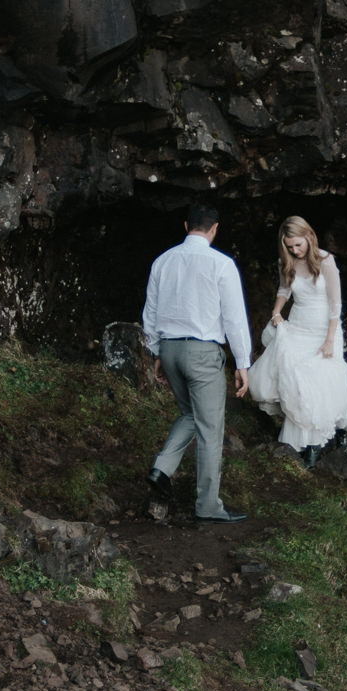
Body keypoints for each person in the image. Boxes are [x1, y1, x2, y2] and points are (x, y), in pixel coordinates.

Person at [141, 204, 253, 523]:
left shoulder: (163, 261)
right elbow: (234, 317)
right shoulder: (221, 264)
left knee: (189, 414)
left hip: (170, 348)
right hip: (202, 352)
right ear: (215, 228)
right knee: (210, 427)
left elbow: (150, 313)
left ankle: (162, 469)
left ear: (187, 225)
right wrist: (243, 362)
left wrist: (157, 353)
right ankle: (207, 506)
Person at [247, 215, 347, 466]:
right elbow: (284, 290)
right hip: (298, 324)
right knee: (296, 381)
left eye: (298, 245)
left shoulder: (326, 261)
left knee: (323, 379)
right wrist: (276, 312)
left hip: (324, 328)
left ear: (309, 237)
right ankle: (306, 443)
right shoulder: (286, 262)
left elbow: (335, 303)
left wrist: (329, 340)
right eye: (289, 246)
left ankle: (337, 431)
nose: (295, 250)